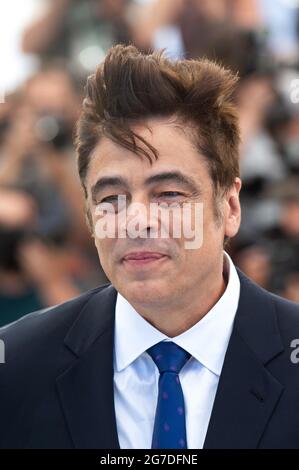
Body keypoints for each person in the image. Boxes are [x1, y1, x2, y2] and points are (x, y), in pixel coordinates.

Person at [1, 44, 299, 449]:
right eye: (110, 198)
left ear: (229, 207)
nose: (136, 220)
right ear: (89, 217)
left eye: (169, 193)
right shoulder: (16, 367)